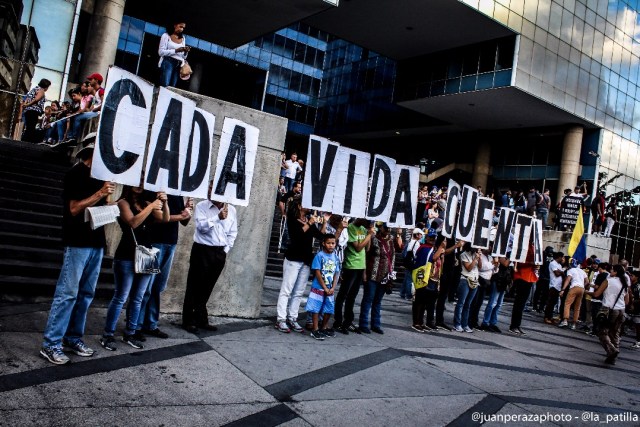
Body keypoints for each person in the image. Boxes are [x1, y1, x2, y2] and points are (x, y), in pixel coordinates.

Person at [40, 138, 115, 364]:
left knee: (85, 294)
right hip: (77, 242)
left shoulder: (101, 176)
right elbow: (73, 209)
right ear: (92, 153)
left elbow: (104, 206)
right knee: (68, 293)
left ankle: (73, 338)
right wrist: (100, 194)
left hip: (96, 241)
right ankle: (51, 343)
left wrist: (108, 196)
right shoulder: (76, 174)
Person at [100, 188, 170, 351]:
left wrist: (165, 203)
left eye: (142, 180)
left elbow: (165, 219)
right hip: (126, 255)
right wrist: (151, 206)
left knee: (138, 297)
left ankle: (130, 333)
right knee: (121, 297)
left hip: (146, 255)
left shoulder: (147, 203)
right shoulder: (123, 203)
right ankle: (108, 335)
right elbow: (133, 222)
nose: (139, 184)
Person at [136, 195, 193, 339]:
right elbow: (158, 217)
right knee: (145, 287)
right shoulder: (156, 190)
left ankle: (151, 324)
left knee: (158, 287)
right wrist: (181, 216)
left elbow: (185, 222)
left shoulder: (178, 194)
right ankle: (135, 325)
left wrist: (188, 211)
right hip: (153, 242)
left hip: (170, 243)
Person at [182, 198, 237, 333]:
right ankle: (188, 320)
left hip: (219, 252)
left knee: (208, 286)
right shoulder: (202, 206)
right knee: (194, 286)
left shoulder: (232, 209)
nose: (210, 191)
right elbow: (201, 228)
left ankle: (201, 319)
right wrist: (217, 217)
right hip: (202, 249)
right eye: (210, 187)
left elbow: (232, 232)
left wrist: (225, 250)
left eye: (214, 188)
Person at [275, 198, 328, 333]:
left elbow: (320, 236)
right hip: (293, 258)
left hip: (305, 260)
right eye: (306, 204)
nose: (310, 206)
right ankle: (281, 319)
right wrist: (309, 223)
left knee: (298, 292)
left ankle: (293, 317)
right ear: (299, 206)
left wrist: (324, 222)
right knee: (287, 290)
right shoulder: (292, 219)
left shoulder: (309, 220)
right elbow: (296, 236)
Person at [333, 218, 375, 334]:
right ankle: (338, 321)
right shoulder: (351, 227)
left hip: (360, 266)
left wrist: (369, 235)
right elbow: (358, 247)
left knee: (352, 295)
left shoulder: (363, 229)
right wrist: (369, 235)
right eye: (368, 222)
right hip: (350, 265)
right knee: (343, 294)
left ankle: (348, 321)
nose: (369, 224)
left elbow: (367, 248)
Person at [359, 223, 397, 334]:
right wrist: (364, 273)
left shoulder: (391, 240)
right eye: (386, 228)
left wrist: (399, 234)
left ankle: (376, 324)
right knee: (368, 299)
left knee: (378, 301)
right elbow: (366, 255)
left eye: (390, 228)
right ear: (380, 227)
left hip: (385, 276)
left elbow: (400, 248)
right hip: (373, 274)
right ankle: (363, 323)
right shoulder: (373, 238)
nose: (388, 230)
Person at [588, 264, 629, 364]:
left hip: (609, 309)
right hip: (621, 310)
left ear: (615, 272)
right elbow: (627, 300)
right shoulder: (625, 283)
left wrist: (586, 291)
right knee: (615, 333)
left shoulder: (609, 281)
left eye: (611, 271)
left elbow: (597, 294)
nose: (610, 272)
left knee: (602, 332)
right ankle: (613, 358)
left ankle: (612, 350)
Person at [305, 234, 341, 340]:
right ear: (323, 243)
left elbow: (336, 274)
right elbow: (317, 273)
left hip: (330, 288)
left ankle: (323, 327)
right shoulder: (319, 256)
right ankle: (315, 329)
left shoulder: (335, 257)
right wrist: (324, 287)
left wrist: (333, 287)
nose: (331, 245)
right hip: (318, 287)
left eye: (333, 243)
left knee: (329, 308)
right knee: (315, 308)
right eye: (328, 243)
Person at [411, 230, 445, 332]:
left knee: (425, 302)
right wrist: (440, 248)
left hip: (431, 279)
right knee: (419, 301)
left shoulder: (432, 249)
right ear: (426, 238)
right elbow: (433, 259)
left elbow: (439, 263)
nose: (432, 239)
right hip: (422, 277)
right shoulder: (424, 248)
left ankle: (421, 322)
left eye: (434, 238)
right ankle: (416, 322)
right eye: (430, 237)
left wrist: (441, 256)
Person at [509, 243, 538, 335]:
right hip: (522, 276)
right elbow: (518, 262)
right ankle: (514, 325)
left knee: (522, 303)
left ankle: (517, 325)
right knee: (519, 303)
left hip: (529, 277)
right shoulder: (523, 245)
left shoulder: (534, 246)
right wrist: (531, 263)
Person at [453, 243, 481, 333]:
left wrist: (479, 258)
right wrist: (475, 259)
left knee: (468, 304)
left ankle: (465, 324)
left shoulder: (475, 255)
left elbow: (480, 267)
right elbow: (469, 268)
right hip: (465, 280)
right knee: (461, 303)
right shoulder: (463, 254)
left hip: (475, 280)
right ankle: (457, 324)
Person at [480, 255, 512, 333]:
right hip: (498, 278)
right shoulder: (501, 252)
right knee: (492, 302)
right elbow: (505, 263)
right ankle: (485, 322)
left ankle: (493, 322)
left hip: (504, 279)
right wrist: (512, 256)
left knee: (499, 303)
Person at [468, 246, 496, 330]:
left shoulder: (490, 257)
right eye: (488, 247)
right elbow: (482, 267)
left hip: (486, 281)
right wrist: (492, 264)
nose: (490, 249)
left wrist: (494, 265)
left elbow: (494, 270)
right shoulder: (480, 256)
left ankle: (474, 320)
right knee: (474, 302)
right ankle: (470, 320)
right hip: (480, 280)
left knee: (479, 302)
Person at [558, 258, 589, 329]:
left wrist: (563, 289)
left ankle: (565, 320)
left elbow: (568, 280)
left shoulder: (570, 270)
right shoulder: (582, 271)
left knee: (567, 304)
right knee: (577, 307)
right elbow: (587, 282)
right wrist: (582, 286)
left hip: (573, 287)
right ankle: (574, 324)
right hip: (581, 289)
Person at [158, 21, 190, 87]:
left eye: (183, 28)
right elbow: (160, 52)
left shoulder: (183, 38)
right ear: (175, 25)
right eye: (180, 26)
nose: (182, 29)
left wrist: (185, 51)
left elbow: (184, 57)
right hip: (168, 62)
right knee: (165, 85)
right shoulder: (166, 36)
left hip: (179, 65)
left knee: (172, 87)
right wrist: (176, 50)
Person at [21, 79, 51, 143]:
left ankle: (25, 140)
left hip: (28, 111)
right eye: (48, 87)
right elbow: (36, 99)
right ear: (46, 86)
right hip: (33, 111)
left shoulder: (34, 89)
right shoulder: (41, 90)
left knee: (29, 126)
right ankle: (26, 141)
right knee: (31, 127)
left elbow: (27, 98)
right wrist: (27, 105)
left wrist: (25, 105)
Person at [400, 228, 423, 300]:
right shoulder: (417, 243)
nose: (421, 236)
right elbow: (416, 254)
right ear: (417, 235)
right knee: (409, 279)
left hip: (408, 262)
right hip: (412, 263)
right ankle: (408, 295)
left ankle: (402, 293)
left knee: (406, 278)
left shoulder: (410, 241)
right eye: (420, 234)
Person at [544, 252, 565, 324]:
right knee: (550, 303)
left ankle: (550, 316)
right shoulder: (553, 263)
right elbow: (557, 274)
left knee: (553, 303)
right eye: (562, 257)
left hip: (558, 286)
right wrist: (561, 272)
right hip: (553, 285)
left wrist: (561, 272)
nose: (562, 259)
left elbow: (562, 274)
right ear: (559, 257)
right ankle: (547, 317)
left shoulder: (559, 265)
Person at [629, 270, 640, 349]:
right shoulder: (632, 285)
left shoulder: (638, 286)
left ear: (637, 277)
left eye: (632, 276)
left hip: (637, 308)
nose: (630, 277)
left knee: (638, 325)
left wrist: (632, 303)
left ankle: (638, 341)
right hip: (630, 308)